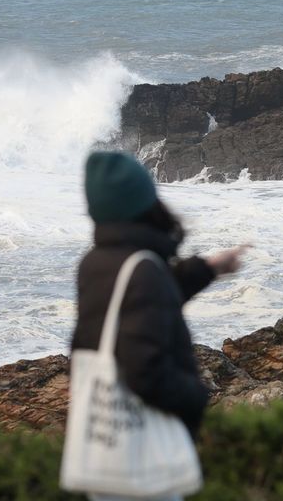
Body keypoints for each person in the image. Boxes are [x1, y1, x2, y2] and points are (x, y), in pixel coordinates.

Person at [70, 151, 246, 501]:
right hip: (141, 455)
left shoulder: (95, 263)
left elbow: (141, 307)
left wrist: (208, 268)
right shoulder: (144, 269)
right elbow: (145, 369)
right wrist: (196, 396)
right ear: (144, 201)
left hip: (107, 443)